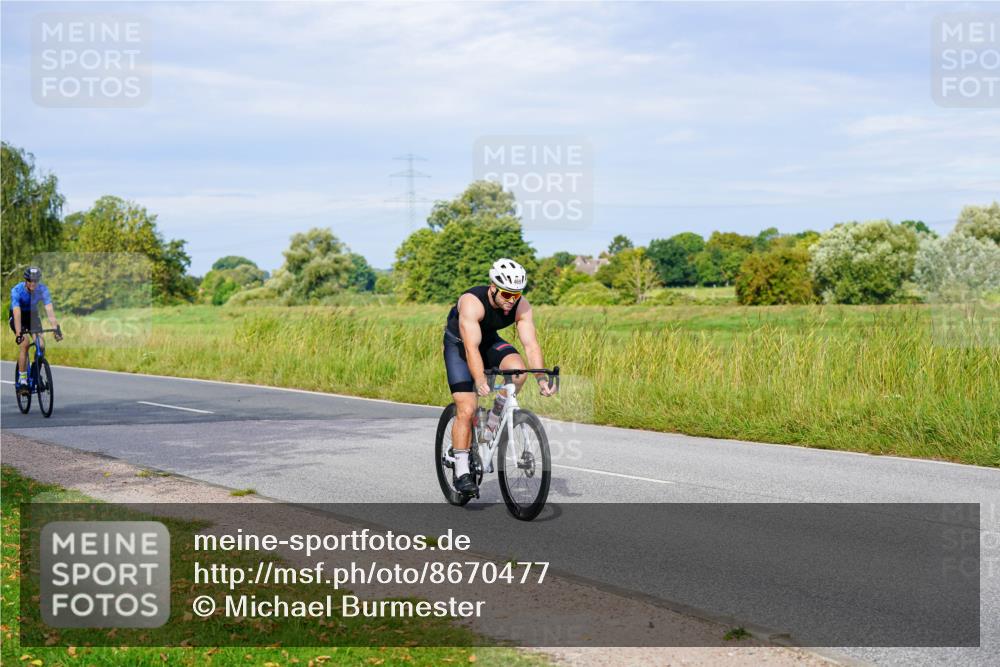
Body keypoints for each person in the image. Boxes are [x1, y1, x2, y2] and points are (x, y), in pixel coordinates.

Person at [442, 258, 555, 496]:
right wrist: (480, 380)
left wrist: (541, 379)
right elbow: (472, 349)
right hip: (460, 346)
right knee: (467, 407)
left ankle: (492, 424)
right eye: (506, 294)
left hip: (489, 342)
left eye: (516, 294)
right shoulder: (472, 303)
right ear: (493, 287)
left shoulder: (520, 305)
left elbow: (531, 345)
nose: (511, 300)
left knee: (519, 372)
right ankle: (461, 470)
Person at [9, 266, 62, 395]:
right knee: (25, 344)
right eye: (30, 281)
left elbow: (49, 310)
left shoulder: (43, 290)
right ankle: (22, 381)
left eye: (36, 281)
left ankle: (35, 374)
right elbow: (16, 312)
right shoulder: (17, 290)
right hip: (19, 317)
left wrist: (56, 328)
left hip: (33, 316)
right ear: (26, 280)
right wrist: (18, 333)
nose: (33, 283)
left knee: (41, 345)